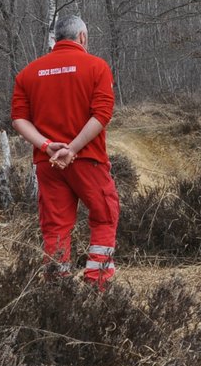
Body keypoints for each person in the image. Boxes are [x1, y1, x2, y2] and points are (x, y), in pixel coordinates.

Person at [10, 15, 119, 288]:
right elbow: (102, 114)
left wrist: (47, 146)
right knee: (104, 216)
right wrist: (72, 148)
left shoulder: (28, 72)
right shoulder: (97, 66)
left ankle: (57, 286)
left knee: (55, 225)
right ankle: (98, 282)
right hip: (88, 159)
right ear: (82, 37)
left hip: (48, 164)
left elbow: (19, 120)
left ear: (55, 38)